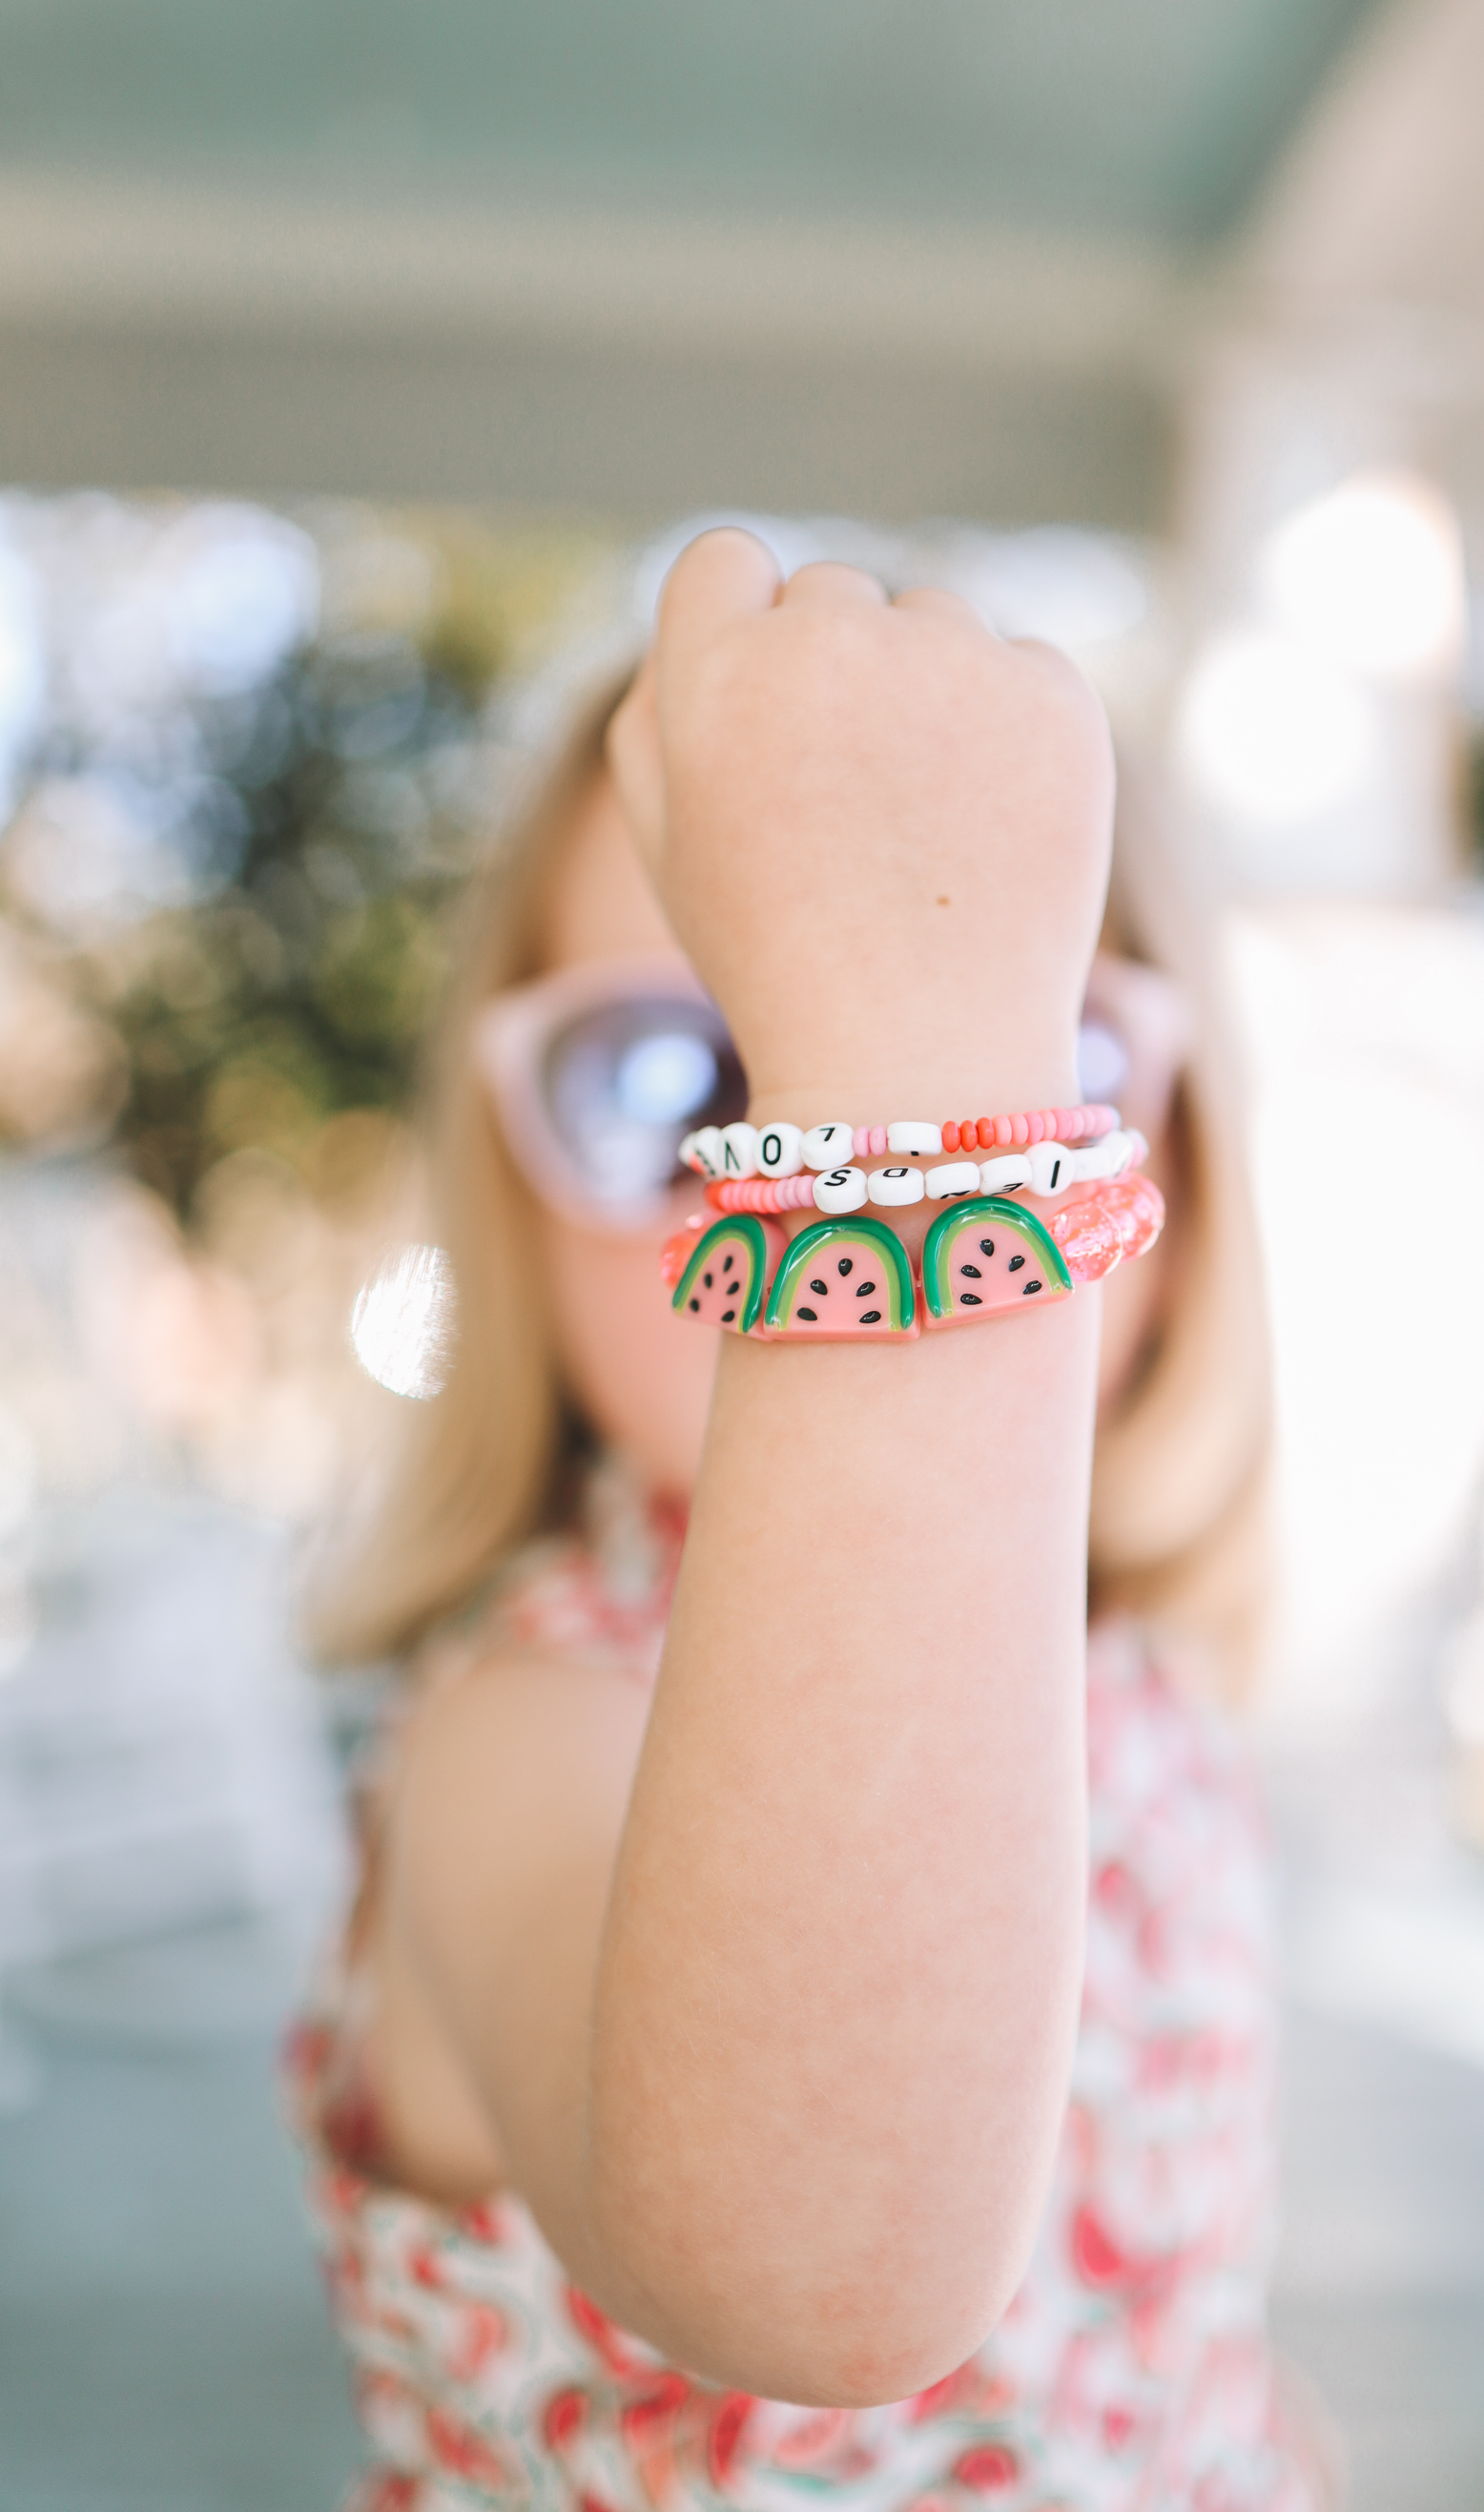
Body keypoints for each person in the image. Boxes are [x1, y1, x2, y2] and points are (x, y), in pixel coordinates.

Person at [287, 531, 1334, 2510]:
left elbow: (1180, 2355)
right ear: (509, 1204)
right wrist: (912, 1073)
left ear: (1183, 1206)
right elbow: (826, 2263)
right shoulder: (521, 1738)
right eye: (665, 1076)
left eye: (1050, 1061)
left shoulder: (1146, 1695)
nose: (770, 1148)